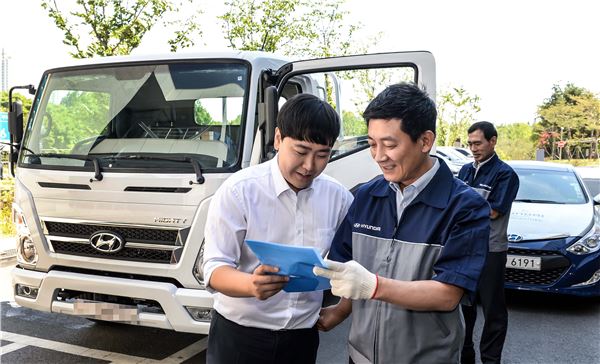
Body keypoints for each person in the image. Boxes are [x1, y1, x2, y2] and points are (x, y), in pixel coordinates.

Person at [312, 82, 491, 364]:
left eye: (390, 144)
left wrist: (373, 286)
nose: (379, 156)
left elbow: (447, 294)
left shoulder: (465, 207)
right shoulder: (366, 196)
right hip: (360, 357)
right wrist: (342, 310)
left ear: (425, 141)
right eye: (372, 144)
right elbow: (349, 271)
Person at [202, 93, 353, 364]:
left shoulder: (339, 198)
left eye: (322, 155)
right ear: (278, 139)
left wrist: (343, 309)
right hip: (239, 337)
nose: (309, 166)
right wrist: (251, 285)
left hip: (302, 337)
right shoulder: (239, 191)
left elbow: (354, 262)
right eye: (301, 151)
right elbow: (214, 268)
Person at [458, 121, 520, 364]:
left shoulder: (505, 174)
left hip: (491, 250)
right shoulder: (464, 170)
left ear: (493, 141)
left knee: (493, 311)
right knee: (465, 308)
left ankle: (491, 359)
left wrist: (463, 208)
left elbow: (494, 211)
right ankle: (465, 356)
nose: (473, 148)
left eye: (478, 143)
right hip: (464, 248)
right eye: (470, 143)